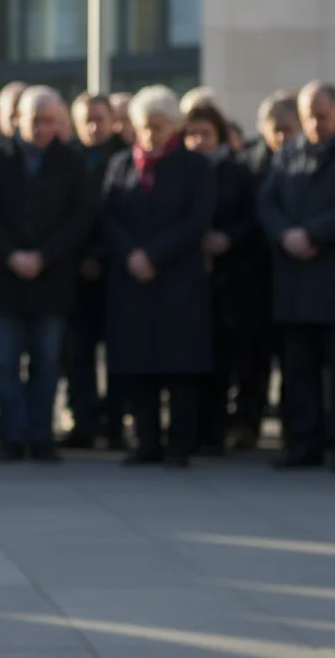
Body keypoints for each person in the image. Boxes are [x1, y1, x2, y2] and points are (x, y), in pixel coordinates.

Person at [0, 85, 92, 464]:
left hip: (52, 280)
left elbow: (80, 218)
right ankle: (12, 435)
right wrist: (11, 254)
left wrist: (43, 255)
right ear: (17, 119)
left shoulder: (71, 163)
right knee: (7, 363)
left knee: (47, 360)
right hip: (5, 280)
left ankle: (41, 435)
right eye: (35, 120)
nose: (42, 128)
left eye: (50, 121)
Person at [103, 85, 215, 468]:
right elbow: (108, 216)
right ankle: (144, 441)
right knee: (138, 365)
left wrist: (154, 254)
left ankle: (179, 444)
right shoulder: (120, 165)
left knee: (179, 366)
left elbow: (197, 220)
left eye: (160, 125)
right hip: (132, 280)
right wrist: (131, 253)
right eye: (144, 126)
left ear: (175, 126)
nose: (151, 133)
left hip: (177, 280)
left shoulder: (195, 166)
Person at [258, 80, 335, 470]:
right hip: (294, 282)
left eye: (322, 116)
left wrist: (314, 233)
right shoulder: (288, 154)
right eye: (308, 117)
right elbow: (267, 203)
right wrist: (285, 234)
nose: (315, 124)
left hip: (328, 278)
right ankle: (303, 444)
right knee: (298, 372)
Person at [185, 103, 258, 457]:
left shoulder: (238, 172)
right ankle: (190, 430)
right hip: (188, 279)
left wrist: (228, 239)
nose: (199, 141)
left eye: (206, 135)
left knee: (223, 360)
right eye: (192, 134)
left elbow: (253, 219)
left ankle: (217, 432)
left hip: (230, 281)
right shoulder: (180, 171)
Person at [60, 92, 128, 451]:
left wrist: (100, 255)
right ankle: (82, 422)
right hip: (73, 272)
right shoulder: (67, 158)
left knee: (116, 353)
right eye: (85, 119)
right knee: (77, 354)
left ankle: (115, 424)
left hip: (114, 271)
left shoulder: (124, 157)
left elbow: (120, 215)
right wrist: (80, 256)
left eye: (99, 118)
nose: (93, 126)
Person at [238, 91, 300, 449]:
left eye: (287, 129)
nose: (280, 137)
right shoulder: (248, 163)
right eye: (274, 129)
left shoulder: (305, 162)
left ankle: (295, 428)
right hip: (252, 276)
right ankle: (248, 421)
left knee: (293, 361)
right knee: (252, 359)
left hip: (295, 275)